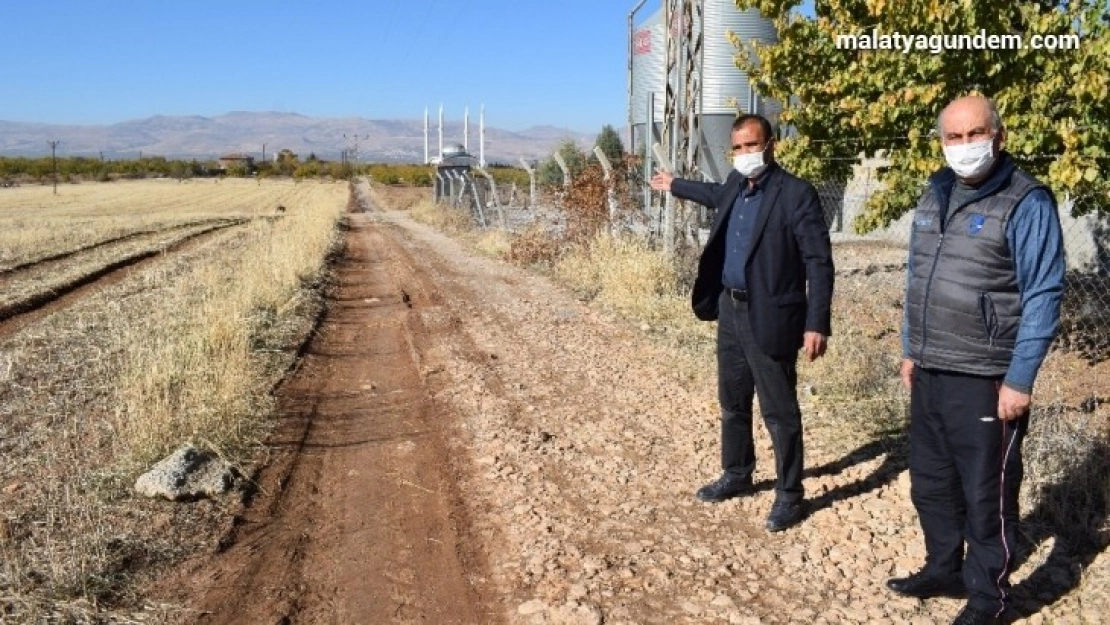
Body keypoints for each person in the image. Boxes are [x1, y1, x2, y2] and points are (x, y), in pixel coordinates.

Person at [888, 95, 1065, 625]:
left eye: (974, 134)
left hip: (987, 377)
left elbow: (1043, 293)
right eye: (953, 137)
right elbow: (918, 275)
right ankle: (943, 567)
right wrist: (910, 348)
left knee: (987, 492)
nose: (964, 147)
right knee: (931, 481)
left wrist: (1019, 378)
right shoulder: (935, 191)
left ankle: (988, 597)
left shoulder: (1025, 201)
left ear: (999, 136)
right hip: (931, 368)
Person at [650, 114, 834, 532]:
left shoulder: (795, 195)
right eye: (738, 148)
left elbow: (819, 262)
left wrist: (816, 322)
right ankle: (736, 473)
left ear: (771, 145)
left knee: (779, 410)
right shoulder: (736, 185)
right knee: (733, 401)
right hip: (730, 311)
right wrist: (675, 184)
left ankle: (789, 494)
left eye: (752, 146)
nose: (745, 154)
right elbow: (714, 194)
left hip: (771, 315)